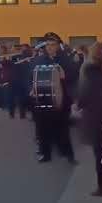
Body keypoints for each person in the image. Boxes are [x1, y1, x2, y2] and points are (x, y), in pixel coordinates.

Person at [75, 43, 102, 196]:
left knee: (100, 153)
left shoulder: (90, 70)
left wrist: (78, 104)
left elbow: (86, 92)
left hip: (95, 116)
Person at [31, 34, 78, 164]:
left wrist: (64, 76)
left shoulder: (65, 60)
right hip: (42, 100)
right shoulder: (38, 61)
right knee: (43, 128)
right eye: (48, 45)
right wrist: (31, 89)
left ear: (58, 46)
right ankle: (45, 154)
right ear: (45, 46)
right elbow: (29, 78)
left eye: (53, 45)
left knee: (63, 128)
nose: (51, 48)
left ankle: (68, 155)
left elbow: (74, 76)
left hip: (61, 100)